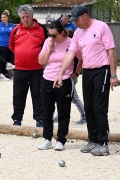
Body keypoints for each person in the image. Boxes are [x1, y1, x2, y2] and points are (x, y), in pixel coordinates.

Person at [54, 6, 120, 156]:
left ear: (85, 16)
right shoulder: (78, 33)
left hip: (102, 70)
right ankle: (93, 139)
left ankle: (103, 143)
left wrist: (113, 75)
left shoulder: (102, 27)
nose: (75, 23)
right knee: (89, 107)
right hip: (88, 71)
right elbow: (71, 54)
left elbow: (111, 50)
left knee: (99, 107)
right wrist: (60, 74)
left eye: (76, 20)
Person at [9, 4, 48, 127]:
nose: (25, 19)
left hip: (37, 69)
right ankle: (17, 119)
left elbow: (46, 46)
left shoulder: (41, 29)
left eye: (28, 16)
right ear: (20, 17)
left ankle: (39, 119)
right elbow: (11, 46)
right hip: (20, 69)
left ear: (32, 16)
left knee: (38, 95)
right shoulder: (16, 30)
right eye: (23, 17)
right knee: (18, 95)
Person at [37, 20, 74, 151]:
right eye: (49, 34)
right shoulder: (48, 42)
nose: (51, 37)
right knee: (46, 111)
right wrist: (50, 49)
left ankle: (61, 140)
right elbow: (41, 61)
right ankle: (47, 139)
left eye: (54, 35)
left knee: (63, 111)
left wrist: (76, 73)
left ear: (62, 33)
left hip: (63, 80)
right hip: (47, 78)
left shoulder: (71, 43)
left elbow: (81, 58)